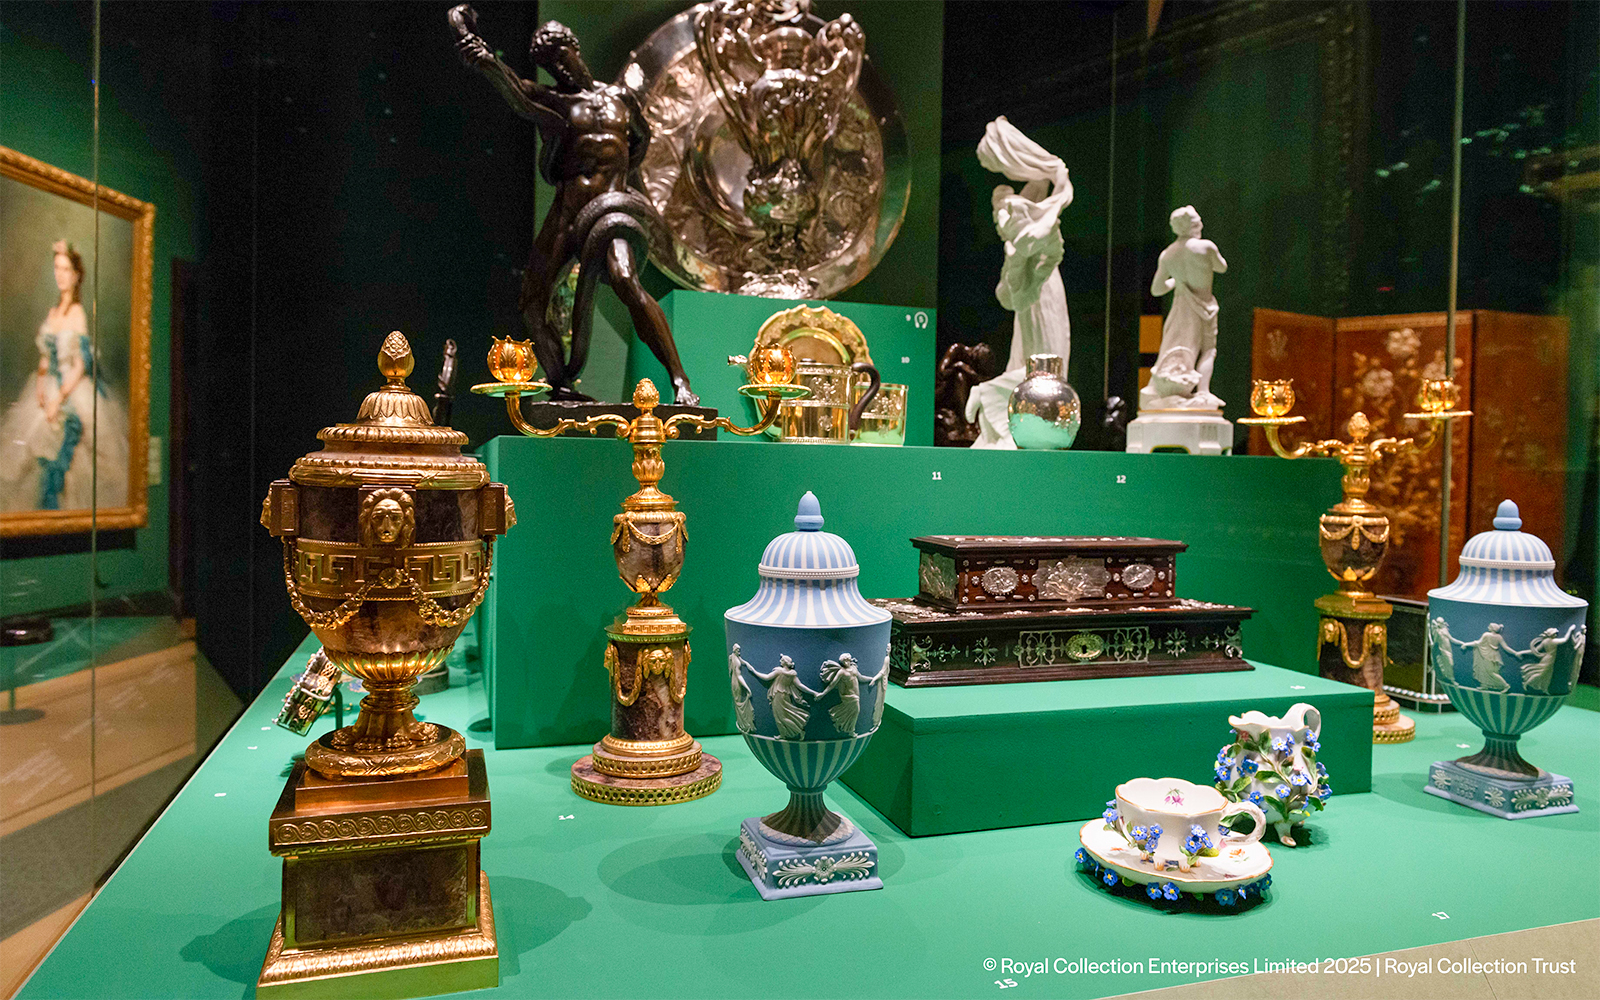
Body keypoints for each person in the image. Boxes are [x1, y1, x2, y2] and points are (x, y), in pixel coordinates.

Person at [449, 6, 697, 405]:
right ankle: (561, 383)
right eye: (551, 65)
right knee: (533, 302)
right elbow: (516, 92)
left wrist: (617, 190)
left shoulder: (621, 100)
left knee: (626, 283)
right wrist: (484, 60)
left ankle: (681, 381)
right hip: (568, 212)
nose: (561, 69)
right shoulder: (555, 102)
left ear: (574, 50)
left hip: (611, 211)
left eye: (562, 57)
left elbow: (641, 142)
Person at [966, 117, 1073, 449]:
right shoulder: (1025, 218)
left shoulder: (1039, 205)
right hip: (1034, 292)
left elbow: (1048, 250)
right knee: (1043, 365)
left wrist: (1033, 265)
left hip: (1043, 289)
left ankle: (1025, 422)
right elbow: (1008, 293)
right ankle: (997, 404)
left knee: (1047, 363)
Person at [0, 241, 128, 512]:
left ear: (76, 275)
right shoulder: (52, 312)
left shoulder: (79, 313)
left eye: (66, 269)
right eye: (57, 268)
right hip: (48, 388)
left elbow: (81, 365)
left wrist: (58, 398)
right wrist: (39, 390)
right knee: (27, 451)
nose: (60, 274)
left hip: (73, 389)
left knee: (77, 461)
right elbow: (45, 358)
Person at [1142, 206, 1227, 411]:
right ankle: (1203, 391)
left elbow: (1157, 289)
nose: (1202, 225)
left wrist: (1176, 281)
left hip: (1181, 305)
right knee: (1208, 349)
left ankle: (1176, 389)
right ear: (1192, 226)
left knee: (1176, 346)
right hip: (1204, 305)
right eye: (1198, 222)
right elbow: (1221, 267)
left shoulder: (1168, 254)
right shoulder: (1206, 247)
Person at [745, 654, 822, 740]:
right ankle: (784, 734)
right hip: (785, 696)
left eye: (781, 660)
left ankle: (799, 731)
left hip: (778, 695)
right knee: (782, 716)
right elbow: (800, 686)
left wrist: (754, 671)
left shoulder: (779, 671)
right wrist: (813, 692)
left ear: (785, 662)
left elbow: (766, 677)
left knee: (780, 717)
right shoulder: (792, 674)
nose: (780, 661)